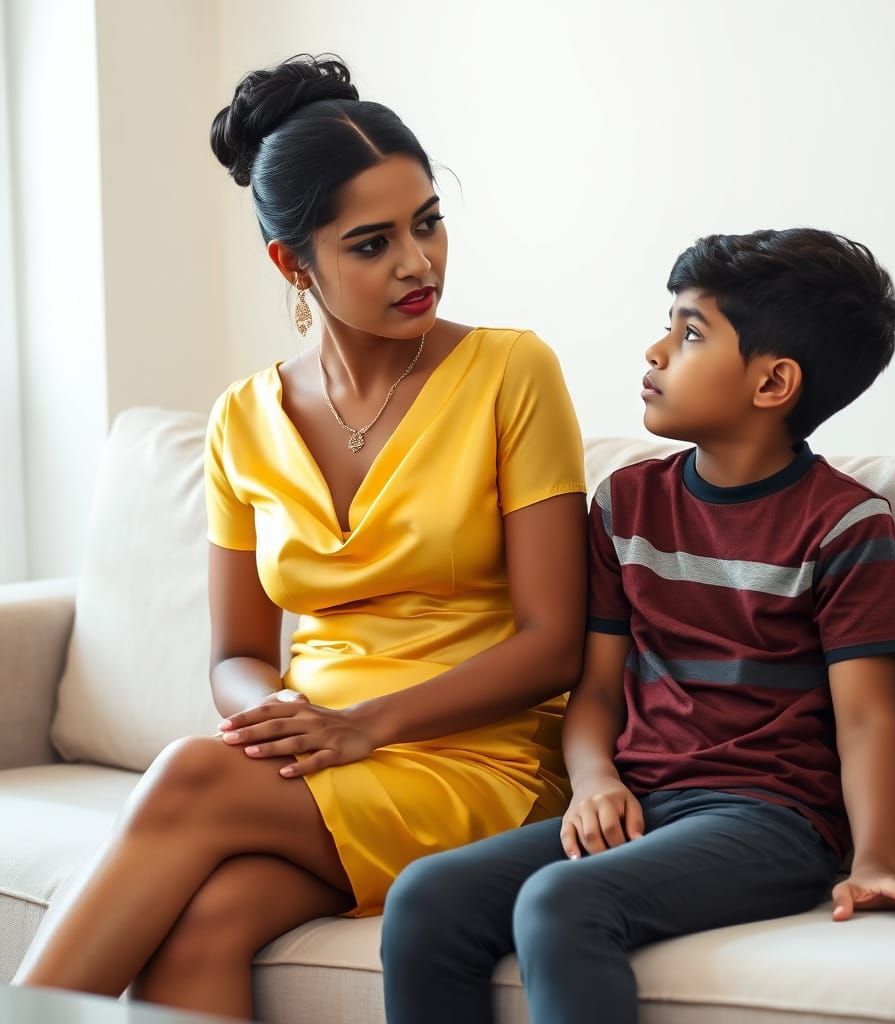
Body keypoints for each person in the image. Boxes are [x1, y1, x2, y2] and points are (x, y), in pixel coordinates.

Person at [13, 54, 588, 1019]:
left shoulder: (511, 373)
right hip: (316, 759)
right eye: (372, 243)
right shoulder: (242, 417)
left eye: (429, 222)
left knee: (193, 771)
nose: (419, 263)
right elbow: (237, 654)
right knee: (208, 918)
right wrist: (277, 720)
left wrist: (360, 725)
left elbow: (552, 641)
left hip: (479, 760)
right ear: (293, 263)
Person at [381, 228, 895, 1024]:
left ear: (773, 383)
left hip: (771, 821)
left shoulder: (847, 526)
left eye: (690, 333)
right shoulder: (625, 506)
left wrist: (874, 862)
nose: (655, 351)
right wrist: (595, 780)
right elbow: (596, 694)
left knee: (561, 904)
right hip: (643, 799)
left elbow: (866, 719)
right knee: (426, 896)